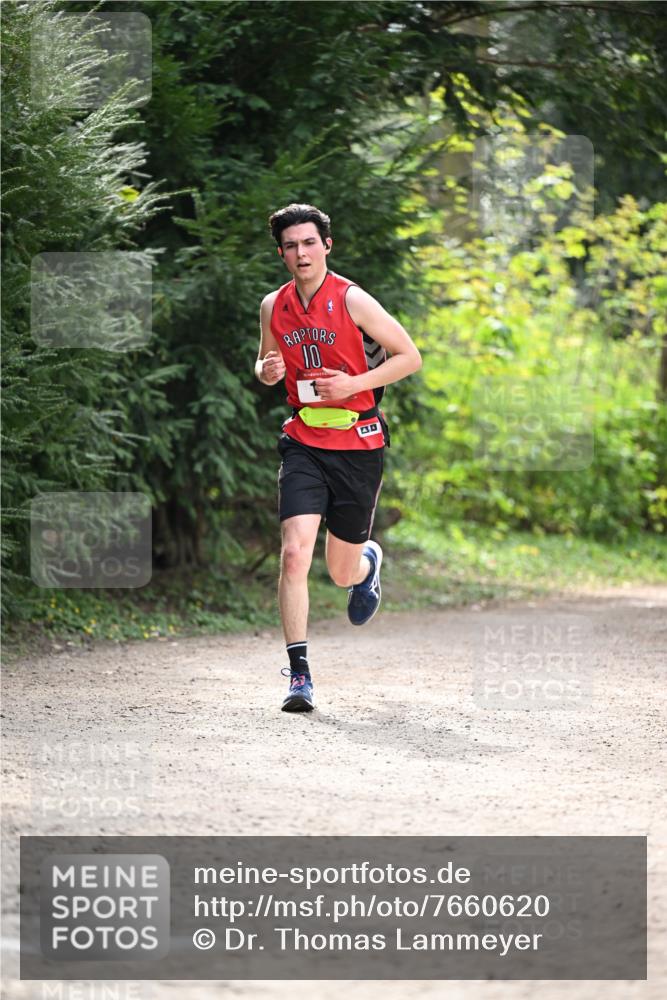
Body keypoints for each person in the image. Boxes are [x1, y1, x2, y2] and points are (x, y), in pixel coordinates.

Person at [255, 203, 421, 712]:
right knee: (294, 552)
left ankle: (366, 563)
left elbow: (409, 357)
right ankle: (299, 675)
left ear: (326, 245)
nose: (300, 253)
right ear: (281, 252)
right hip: (304, 440)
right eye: (290, 245)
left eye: (309, 242)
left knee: (339, 571)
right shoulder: (273, 305)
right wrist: (266, 370)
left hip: (359, 444)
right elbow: (264, 362)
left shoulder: (352, 300)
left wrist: (353, 384)